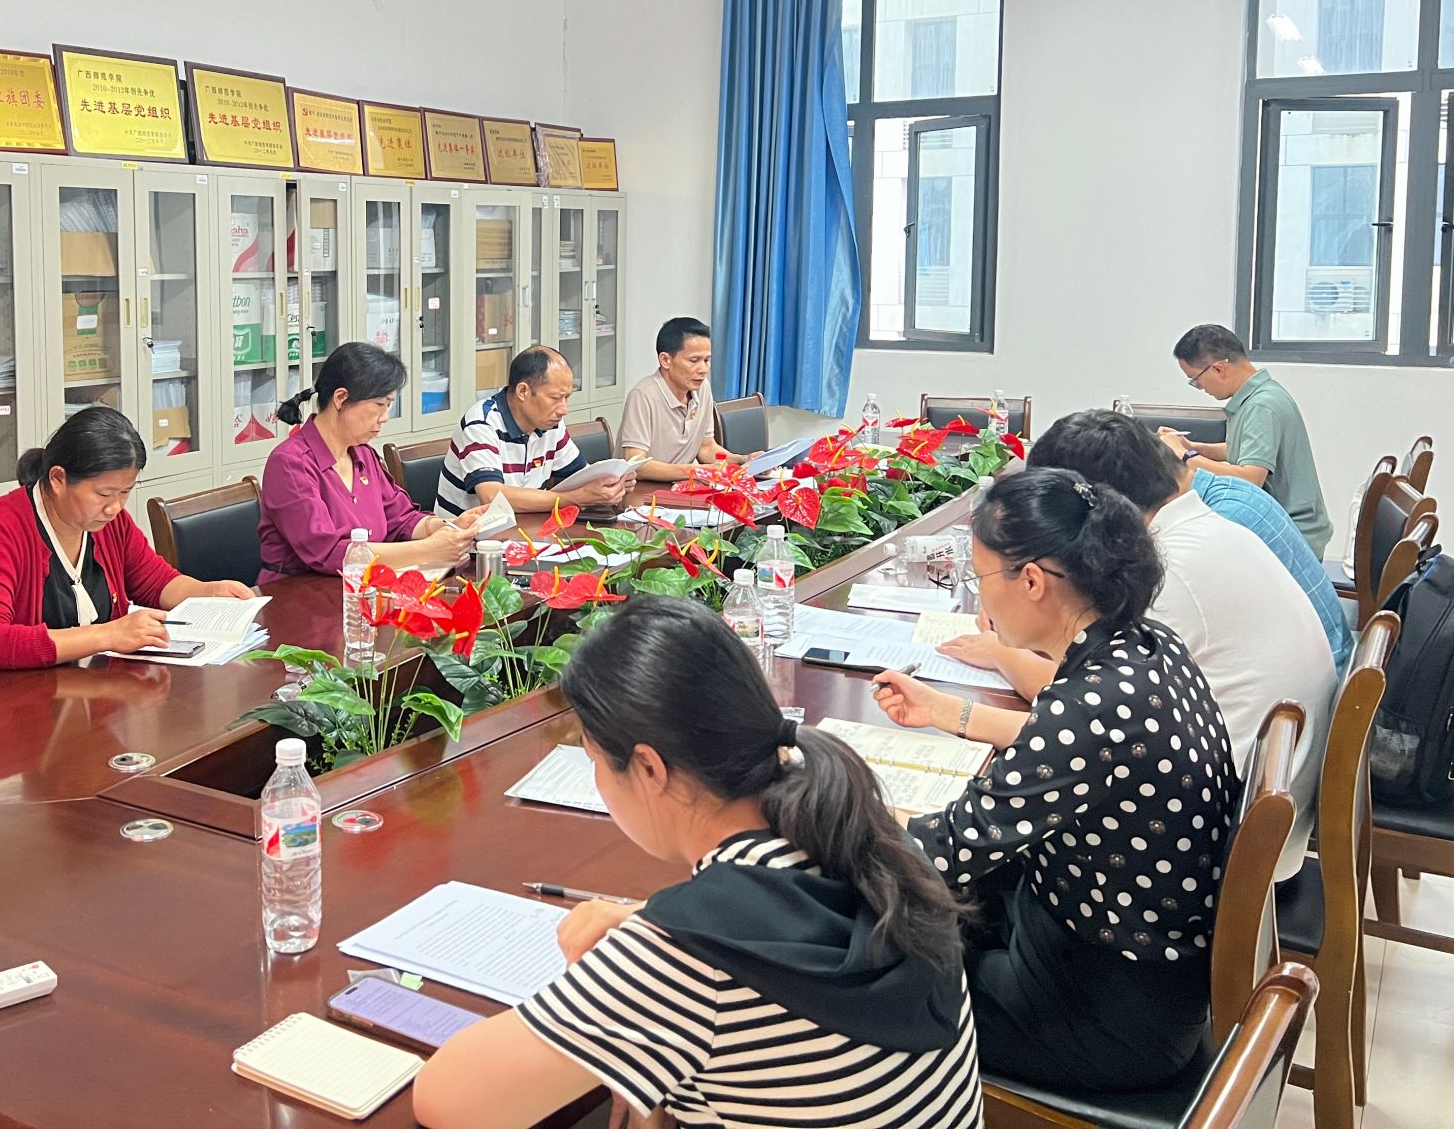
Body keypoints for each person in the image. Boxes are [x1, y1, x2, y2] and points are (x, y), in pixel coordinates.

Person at [414, 596, 982, 1129]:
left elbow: (446, 1100)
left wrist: (638, 966)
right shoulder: (868, 835)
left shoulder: (688, 956)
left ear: (649, 768)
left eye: (594, 761)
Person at [873, 469, 1239, 1091]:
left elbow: (941, 854)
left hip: (1103, 1015)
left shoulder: (1091, 707)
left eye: (981, 579)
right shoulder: (1148, 646)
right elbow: (1069, 752)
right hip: (1132, 965)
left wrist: (845, 807)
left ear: (1032, 582)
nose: (982, 602)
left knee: (859, 984)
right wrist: (947, 713)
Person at [935, 409, 1334, 873]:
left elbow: (1081, 712)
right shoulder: (1202, 529)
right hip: (1240, 799)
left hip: (1213, 845)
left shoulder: (1169, 571)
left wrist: (1000, 655)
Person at [0, 406, 255, 675]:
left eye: (125, 492)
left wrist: (207, 592)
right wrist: (107, 635)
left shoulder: (109, 523)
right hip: (5, 704)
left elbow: (155, 582)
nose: (115, 507)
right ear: (58, 479)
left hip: (89, 694)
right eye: (104, 493)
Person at [258, 342, 483, 580]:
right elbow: (328, 552)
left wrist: (449, 526)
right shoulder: (290, 463)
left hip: (363, 587)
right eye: (380, 405)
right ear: (341, 398)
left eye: (388, 406)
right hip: (299, 593)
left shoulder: (363, 454)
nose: (385, 417)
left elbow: (401, 520)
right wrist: (429, 549)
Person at [1161, 323, 1332, 555]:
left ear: (1218, 369)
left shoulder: (1261, 406)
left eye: (1195, 380)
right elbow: (1246, 450)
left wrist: (1186, 455)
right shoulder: (1261, 394)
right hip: (1285, 526)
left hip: (1292, 536)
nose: (1199, 388)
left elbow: (1250, 478)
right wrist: (1193, 446)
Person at [1182, 453, 1351, 668]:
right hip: (1329, 651)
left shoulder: (1221, 521)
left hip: (1325, 664)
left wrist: (1188, 454)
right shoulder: (1232, 488)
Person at [433, 346, 634, 519]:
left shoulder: (550, 424)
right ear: (523, 391)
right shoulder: (482, 423)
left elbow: (581, 476)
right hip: (469, 539)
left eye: (567, 398)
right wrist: (575, 498)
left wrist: (611, 484)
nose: (564, 409)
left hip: (525, 527)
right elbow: (492, 496)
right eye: (555, 398)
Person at [617, 316, 735, 482]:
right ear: (665, 360)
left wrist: (743, 461)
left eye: (707, 360)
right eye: (694, 360)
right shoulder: (643, 396)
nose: (703, 369)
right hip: (641, 490)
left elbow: (706, 447)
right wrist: (696, 471)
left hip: (681, 487)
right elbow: (637, 464)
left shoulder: (703, 388)